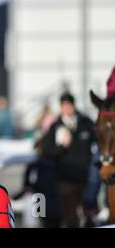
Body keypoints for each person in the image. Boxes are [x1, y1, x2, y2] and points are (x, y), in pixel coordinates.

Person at [41, 92, 96, 227]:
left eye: (69, 105)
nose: (67, 108)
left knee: (88, 217)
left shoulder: (86, 123)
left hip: (85, 179)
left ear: (73, 105)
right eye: (64, 105)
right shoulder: (55, 127)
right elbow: (46, 151)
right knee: (71, 218)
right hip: (65, 179)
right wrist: (61, 146)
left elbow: (99, 143)